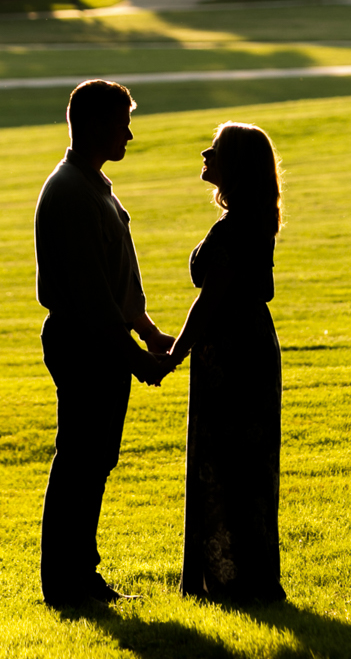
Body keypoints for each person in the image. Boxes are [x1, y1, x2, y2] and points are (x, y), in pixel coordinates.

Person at [34, 79, 174, 607]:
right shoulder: (71, 191)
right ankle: (68, 583)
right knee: (81, 461)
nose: (130, 135)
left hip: (100, 341)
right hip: (83, 344)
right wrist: (137, 358)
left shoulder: (93, 184)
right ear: (93, 125)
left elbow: (119, 281)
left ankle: (79, 575)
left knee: (94, 460)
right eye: (122, 124)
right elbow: (92, 299)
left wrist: (148, 331)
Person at [161, 121, 287, 604]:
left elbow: (209, 302)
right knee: (248, 462)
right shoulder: (254, 220)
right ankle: (246, 573)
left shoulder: (233, 229)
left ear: (234, 165)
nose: (204, 153)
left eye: (214, 149)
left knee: (223, 461)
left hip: (231, 352)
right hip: (252, 344)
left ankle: (229, 579)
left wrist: (174, 354)